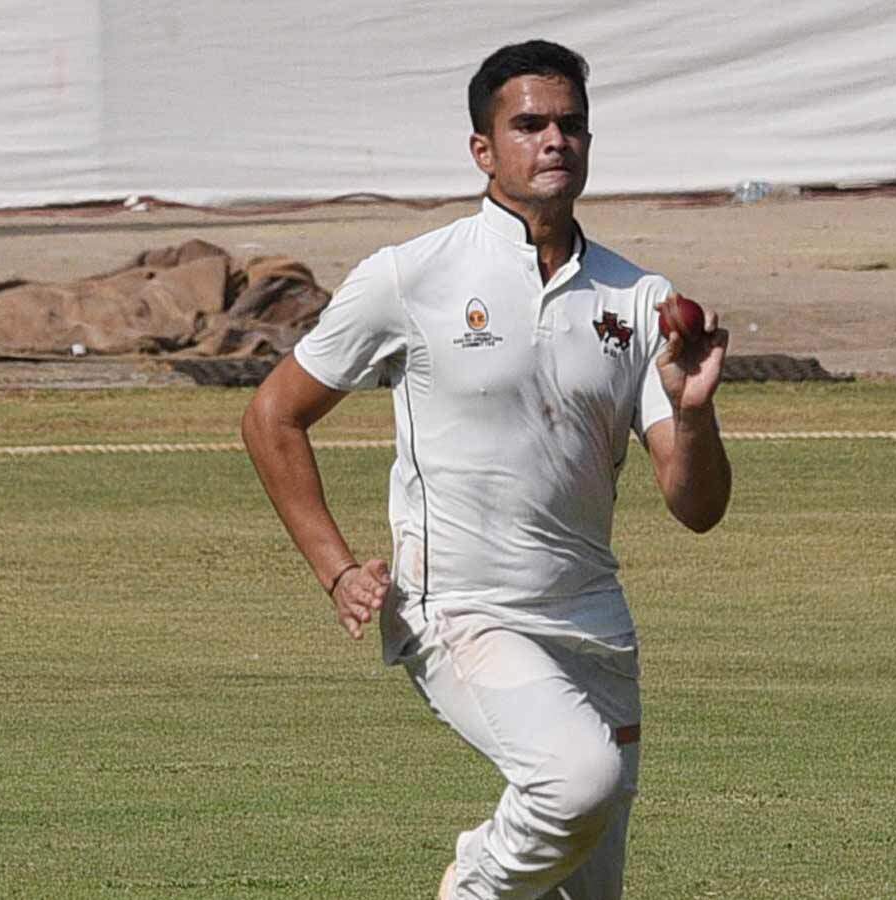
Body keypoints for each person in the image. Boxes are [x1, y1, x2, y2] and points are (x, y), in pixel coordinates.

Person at [241, 39, 731, 900]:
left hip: (594, 620)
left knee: (587, 879)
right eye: (529, 125)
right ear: (483, 149)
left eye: (570, 124)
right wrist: (337, 570)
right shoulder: (412, 276)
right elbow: (272, 416)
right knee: (575, 783)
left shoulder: (640, 299)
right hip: (460, 608)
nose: (554, 140)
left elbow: (697, 507)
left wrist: (692, 410)